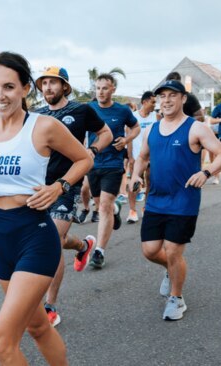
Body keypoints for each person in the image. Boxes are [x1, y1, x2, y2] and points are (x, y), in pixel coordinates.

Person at [0, 51, 91, 365]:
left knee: (1, 345)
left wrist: (59, 186)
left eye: (8, 87)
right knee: (37, 326)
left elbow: (85, 158)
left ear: (24, 89)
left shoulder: (43, 126)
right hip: (0, 237)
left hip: (35, 235)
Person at [129, 80, 221, 321]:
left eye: (172, 95)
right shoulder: (151, 130)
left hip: (184, 200)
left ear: (183, 99)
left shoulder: (195, 128)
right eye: (162, 96)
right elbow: (142, 157)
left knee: (173, 251)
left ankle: (177, 298)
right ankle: (170, 271)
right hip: (156, 199)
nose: (166, 100)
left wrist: (206, 173)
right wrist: (135, 176)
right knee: (150, 251)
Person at [34, 66, 112, 326]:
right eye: (44, 83)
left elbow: (106, 133)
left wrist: (91, 150)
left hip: (68, 183)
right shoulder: (37, 115)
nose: (47, 88)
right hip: (39, 187)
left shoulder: (81, 110)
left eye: (53, 83)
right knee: (55, 237)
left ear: (65, 86)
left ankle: (49, 306)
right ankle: (83, 246)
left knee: (53, 240)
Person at [87, 73, 140, 269]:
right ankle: (116, 210)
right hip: (92, 164)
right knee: (101, 205)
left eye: (105, 88)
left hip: (113, 164)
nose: (101, 92)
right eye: (98, 88)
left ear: (113, 90)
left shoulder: (122, 111)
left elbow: (135, 128)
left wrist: (126, 140)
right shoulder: (89, 109)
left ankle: (99, 251)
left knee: (103, 208)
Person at [127, 91, 157, 223]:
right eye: (153, 102)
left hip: (152, 157)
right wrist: (130, 158)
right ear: (144, 102)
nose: (154, 105)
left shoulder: (156, 117)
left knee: (150, 182)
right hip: (137, 157)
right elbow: (129, 139)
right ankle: (132, 211)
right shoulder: (133, 117)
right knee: (134, 184)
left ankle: (146, 207)